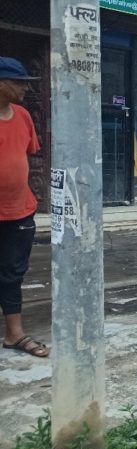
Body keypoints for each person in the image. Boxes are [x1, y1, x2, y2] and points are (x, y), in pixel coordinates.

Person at [0, 57, 47, 358]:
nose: (24, 88)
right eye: (19, 82)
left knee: (13, 273)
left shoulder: (23, 115)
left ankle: (14, 335)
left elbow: (27, 154)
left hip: (19, 209)